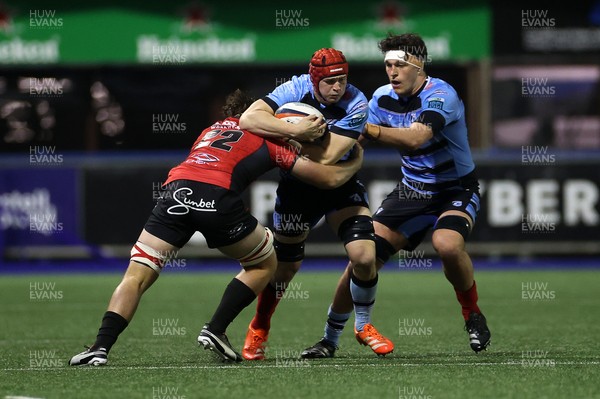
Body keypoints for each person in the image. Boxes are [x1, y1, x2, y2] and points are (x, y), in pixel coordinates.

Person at [68, 89, 364, 365]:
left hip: (176, 191)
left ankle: (99, 348)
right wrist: (354, 161)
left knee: (136, 275)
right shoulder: (271, 140)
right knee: (265, 263)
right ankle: (215, 328)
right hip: (217, 198)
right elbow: (326, 179)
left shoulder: (212, 129)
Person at [301, 33, 491, 358]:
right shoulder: (380, 98)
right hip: (412, 191)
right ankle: (329, 340)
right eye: (388, 64)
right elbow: (354, 143)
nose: (392, 71)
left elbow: (416, 138)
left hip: (455, 189)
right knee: (361, 258)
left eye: (400, 64)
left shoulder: (442, 95)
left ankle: (472, 313)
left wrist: (369, 130)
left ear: (419, 64)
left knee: (447, 244)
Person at [238, 48, 394, 360]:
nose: (338, 87)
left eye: (342, 79)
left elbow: (326, 158)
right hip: (297, 192)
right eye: (330, 81)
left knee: (364, 256)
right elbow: (247, 119)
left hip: (341, 186)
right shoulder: (293, 88)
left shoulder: (357, 102)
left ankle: (363, 325)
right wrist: (294, 130)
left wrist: (282, 138)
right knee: (284, 270)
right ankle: (260, 326)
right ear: (314, 81)